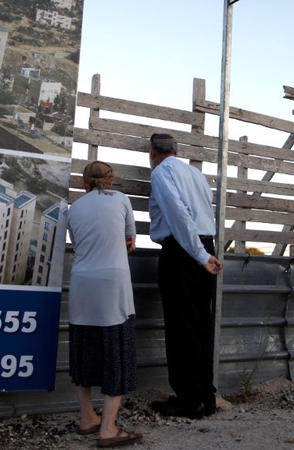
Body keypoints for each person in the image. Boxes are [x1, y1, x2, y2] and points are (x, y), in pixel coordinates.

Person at [147, 133, 224, 419]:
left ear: (152, 151)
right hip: (203, 244)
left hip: (183, 250)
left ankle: (189, 400)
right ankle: (204, 394)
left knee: (181, 326)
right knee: (199, 322)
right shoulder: (196, 174)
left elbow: (179, 215)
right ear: (175, 150)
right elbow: (204, 211)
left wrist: (200, 256)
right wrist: (206, 252)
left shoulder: (162, 172)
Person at [66, 161, 143, 447]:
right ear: (111, 183)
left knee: (82, 349)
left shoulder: (74, 209)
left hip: (82, 283)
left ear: (84, 183)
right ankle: (108, 428)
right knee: (117, 352)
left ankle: (88, 418)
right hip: (113, 286)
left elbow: (79, 244)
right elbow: (129, 241)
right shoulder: (122, 200)